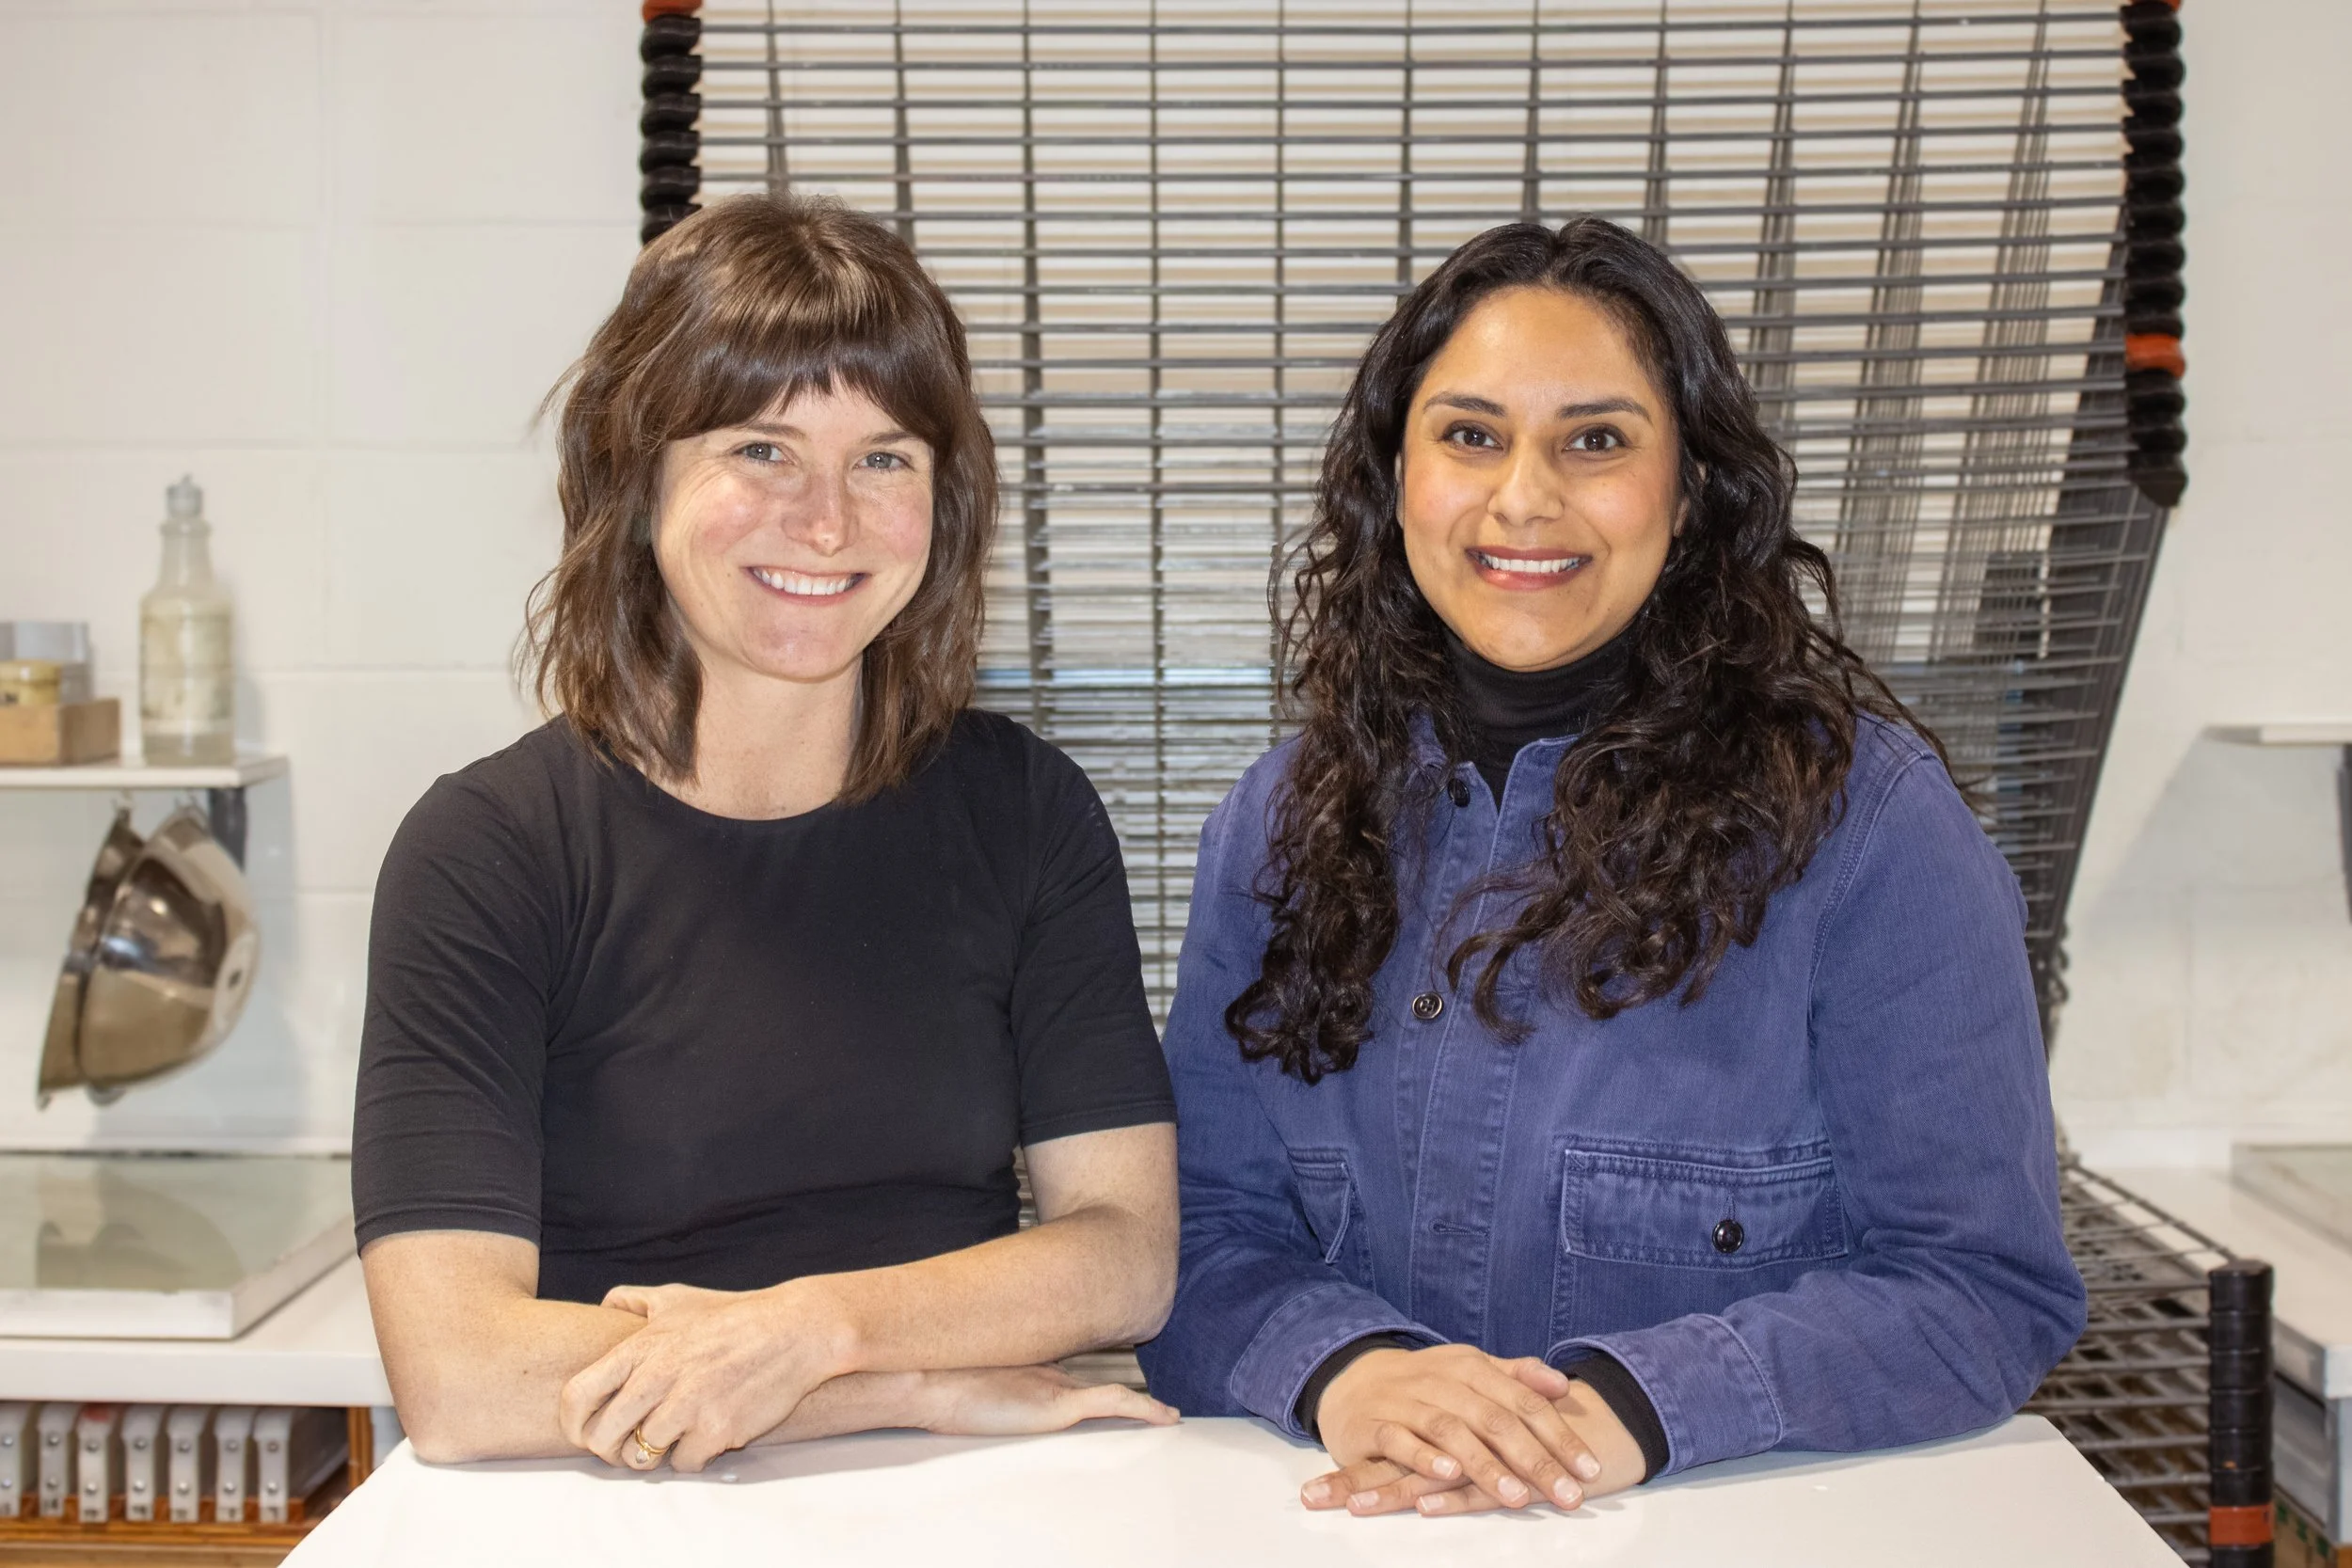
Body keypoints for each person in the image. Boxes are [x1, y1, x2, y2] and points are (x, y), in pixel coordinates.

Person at [1135, 217, 2088, 1518]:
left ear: (1688, 493)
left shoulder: (1868, 826)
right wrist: (1353, 1373)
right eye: (1470, 436)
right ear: (1395, 480)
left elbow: (1980, 1287)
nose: (1524, 498)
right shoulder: (1278, 826)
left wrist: (1623, 1413)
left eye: (1596, 441)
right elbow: (1196, 1236)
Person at [352, 194, 1180, 1474]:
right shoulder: (488, 852)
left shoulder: (1026, 812)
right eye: (763, 450)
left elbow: (1127, 1253)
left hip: (968, 1497)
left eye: (884, 459)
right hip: (611, 1504)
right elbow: (459, 1376)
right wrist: (898, 1386)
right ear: (638, 476)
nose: (828, 521)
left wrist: (815, 1330)